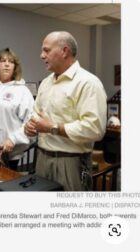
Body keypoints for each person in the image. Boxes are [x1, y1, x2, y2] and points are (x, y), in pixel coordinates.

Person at [24, 31, 107, 191]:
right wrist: (30, 126)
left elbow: (94, 129)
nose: (41, 55)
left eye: (46, 50)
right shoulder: (46, 83)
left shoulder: (88, 83)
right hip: (42, 159)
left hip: (71, 163)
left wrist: (52, 128)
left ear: (64, 51)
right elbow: (36, 114)